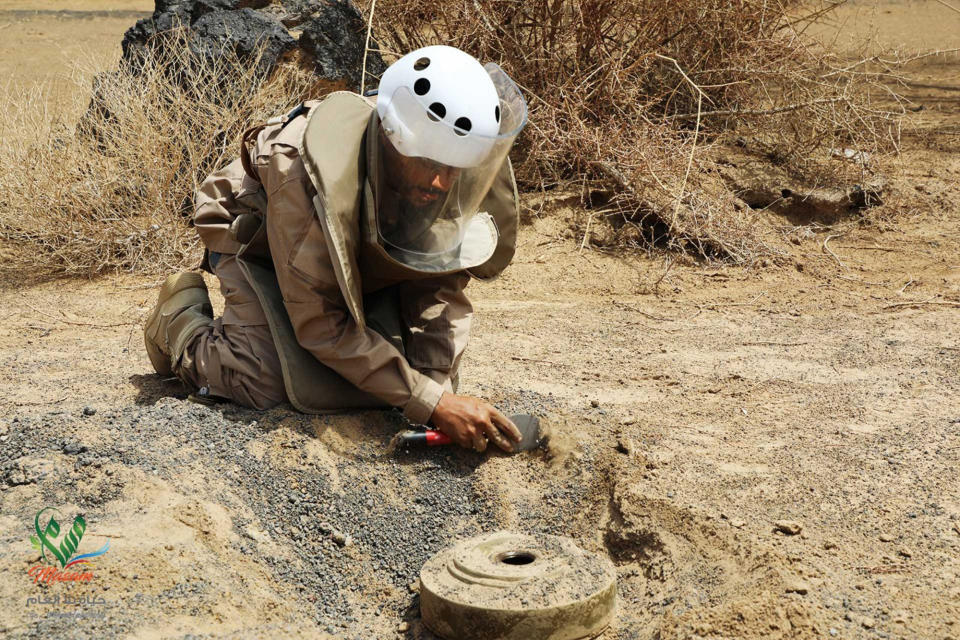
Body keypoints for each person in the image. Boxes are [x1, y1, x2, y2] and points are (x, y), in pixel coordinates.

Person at [143, 45, 528, 453]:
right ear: (394, 138)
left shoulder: (438, 163)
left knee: (413, 377)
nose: (442, 184)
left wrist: (436, 387)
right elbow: (320, 324)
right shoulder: (301, 174)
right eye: (432, 165)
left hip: (354, 255)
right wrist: (433, 403)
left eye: (456, 169)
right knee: (264, 379)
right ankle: (179, 322)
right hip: (262, 242)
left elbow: (439, 286)